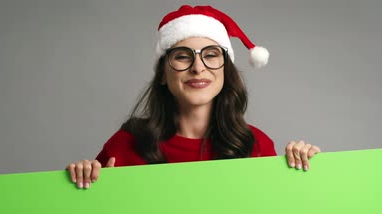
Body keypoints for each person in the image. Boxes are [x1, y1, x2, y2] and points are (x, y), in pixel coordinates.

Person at [67, 5, 321, 189]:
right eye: (182, 56)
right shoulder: (125, 144)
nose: (198, 67)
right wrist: (82, 180)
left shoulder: (255, 145)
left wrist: (302, 170)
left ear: (225, 69)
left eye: (210, 55)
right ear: (163, 74)